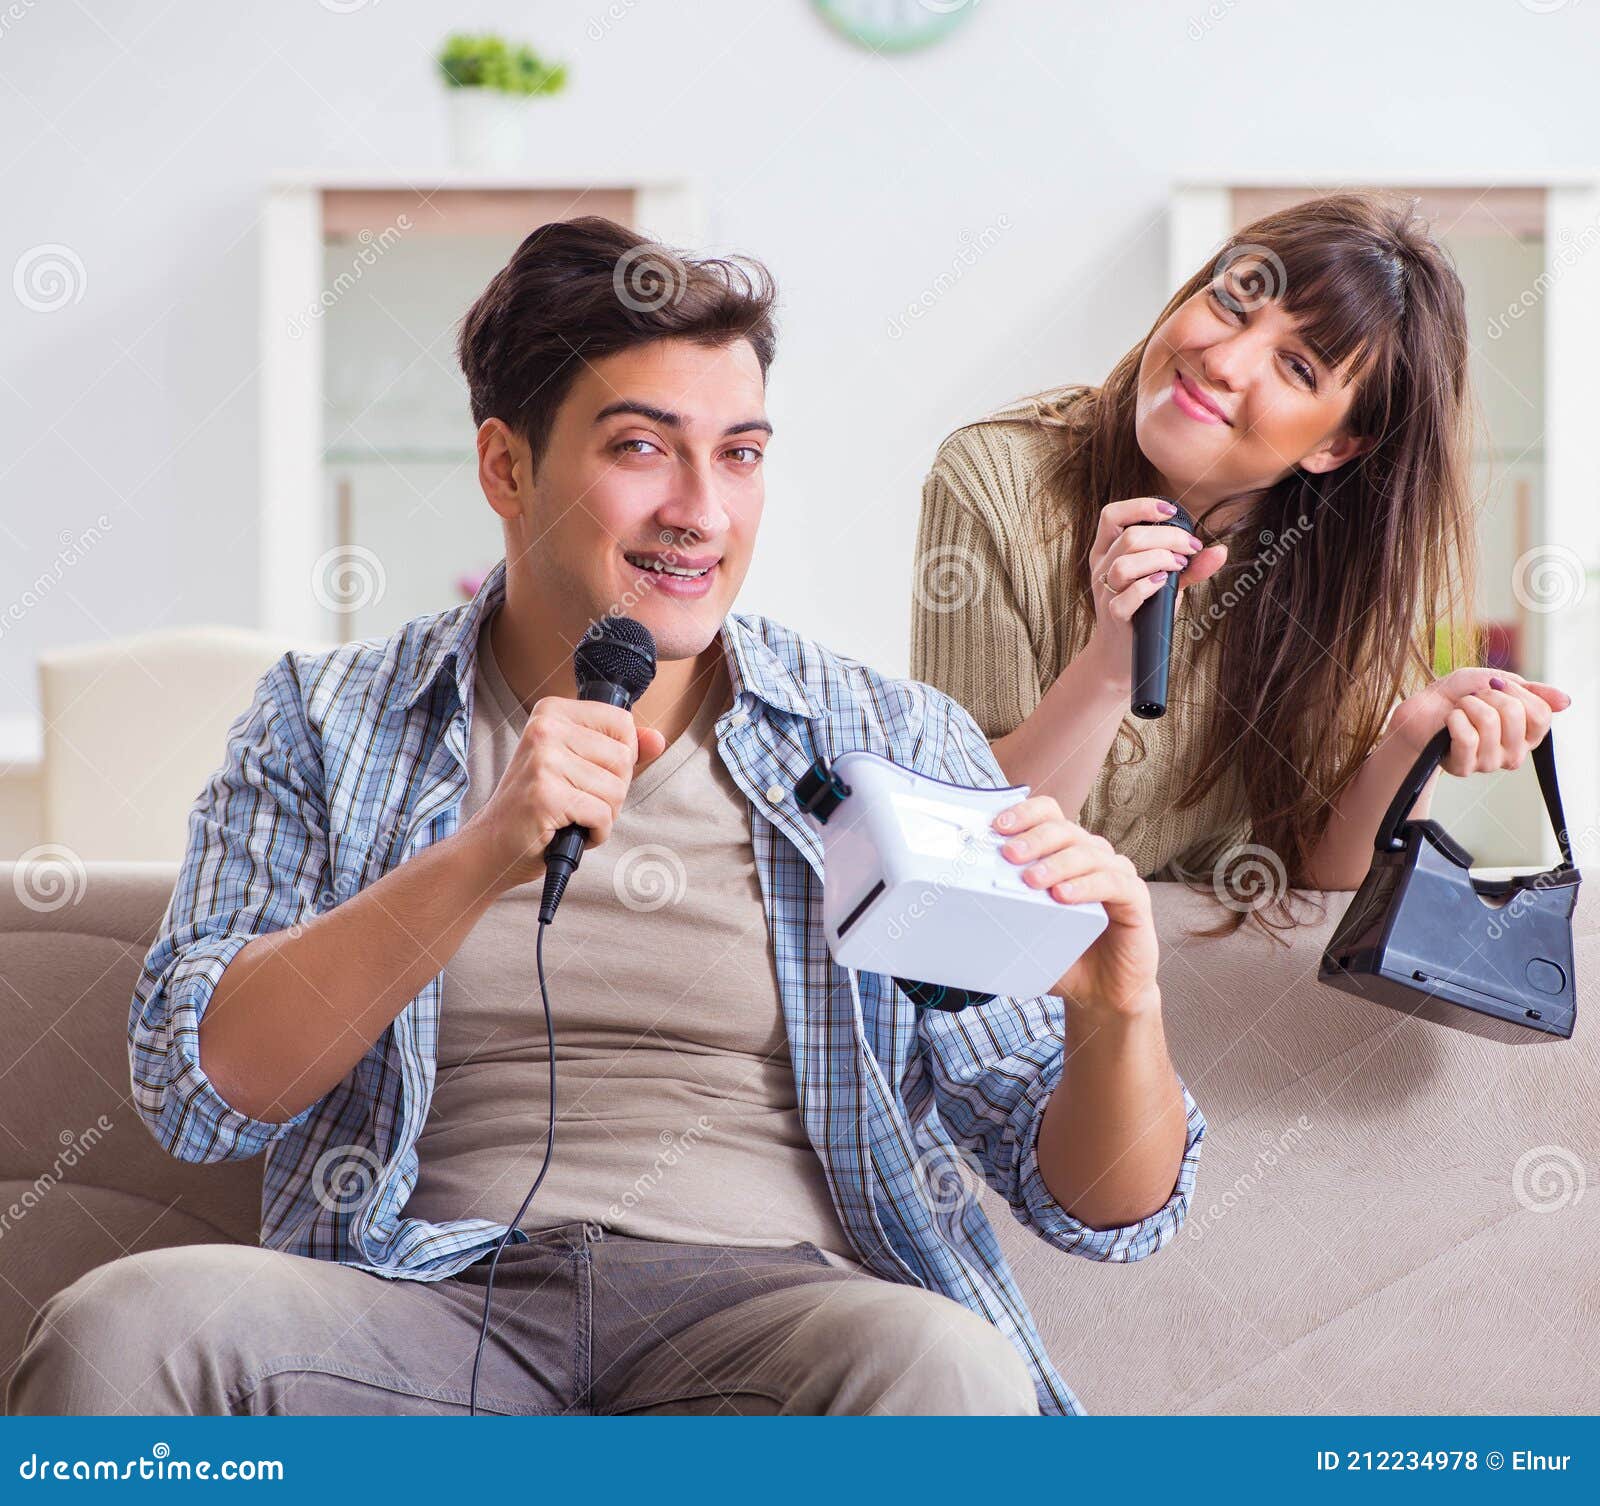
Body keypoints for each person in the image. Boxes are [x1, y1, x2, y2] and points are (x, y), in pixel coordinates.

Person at [10, 218, 1202, 1419]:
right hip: (417, 1310)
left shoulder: (887, 740)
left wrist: (1118, 1015)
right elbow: (199, 1088)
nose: (701, 510)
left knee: (943, 1368)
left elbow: (1100, 1206)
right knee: (127, 1334)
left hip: (777, 1323)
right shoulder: (326, 720)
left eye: (738, 456)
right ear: (505, 468)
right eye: (643, 447)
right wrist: (481, 855)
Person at [911, 193, 1570, 933]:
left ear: (1336, 446)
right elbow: (968, 838)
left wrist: (1409, 743)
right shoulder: (997, 476)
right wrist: (1108, 670)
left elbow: (1323, 880)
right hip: (1006, 959)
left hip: (1192, 974)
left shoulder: (1339, 561)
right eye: (1231, 304)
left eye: (1295, 367)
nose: (1221, 361)